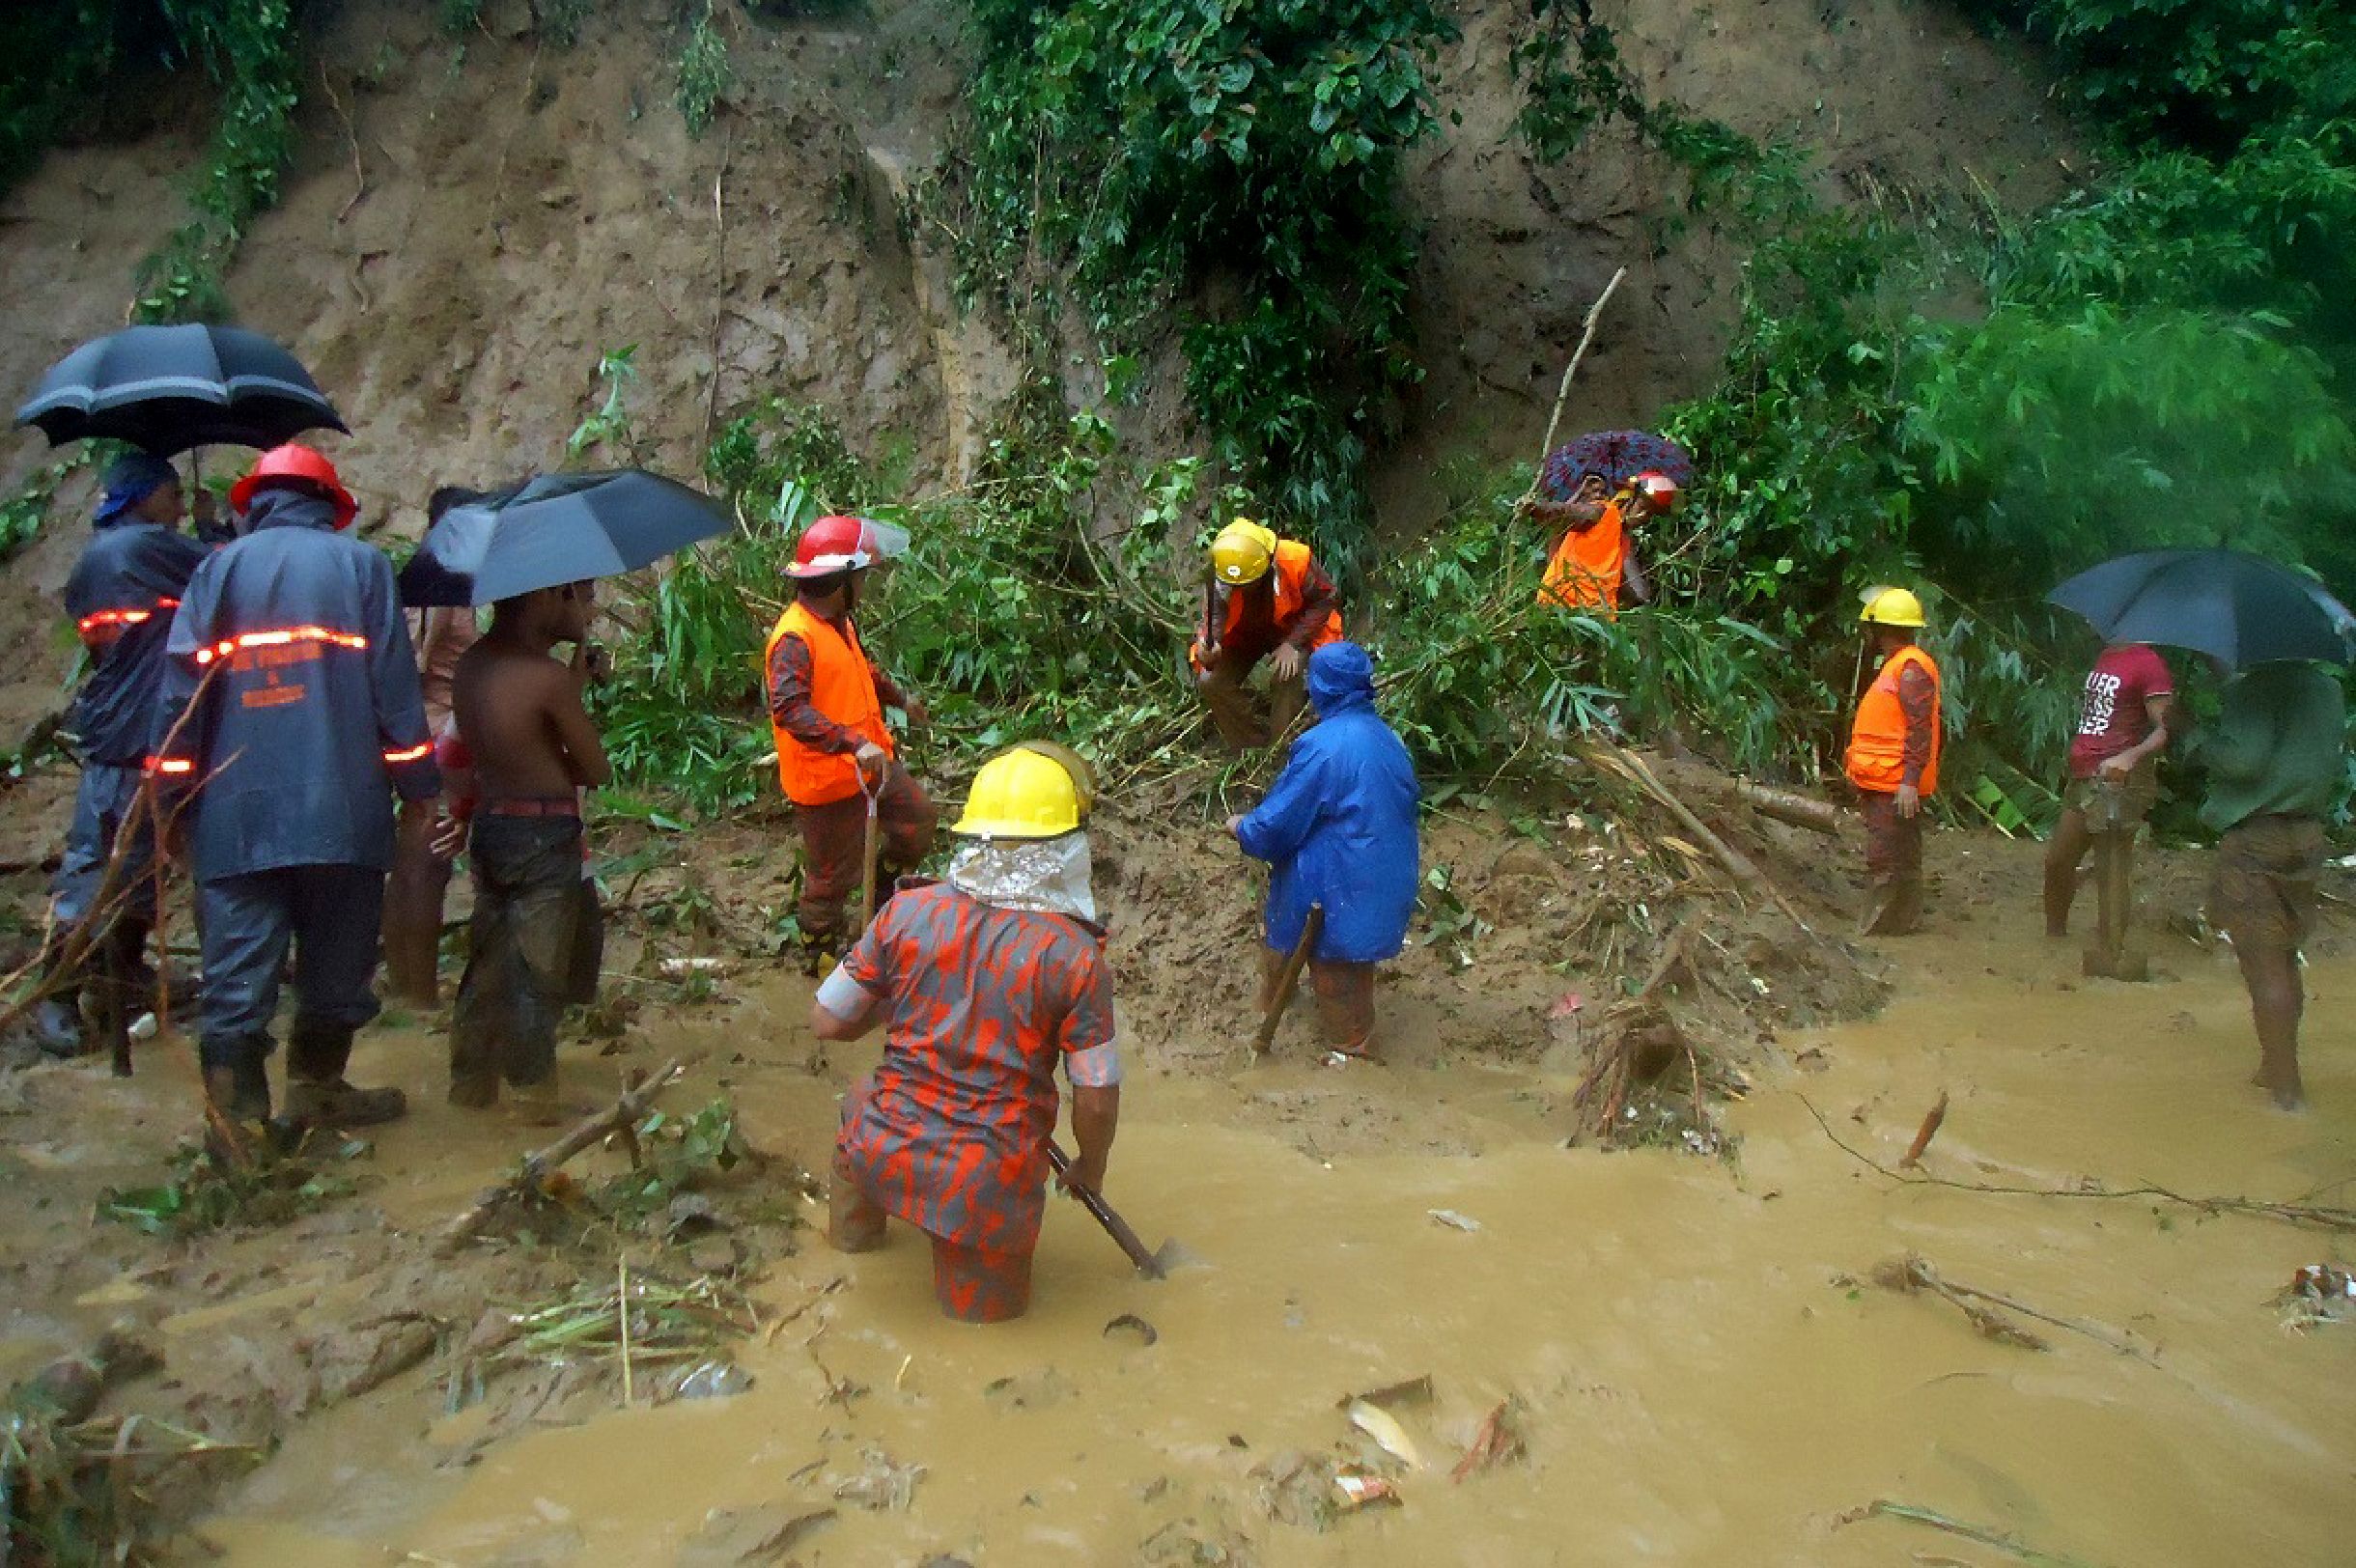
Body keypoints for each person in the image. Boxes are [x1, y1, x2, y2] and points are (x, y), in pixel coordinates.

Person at [151, 444, 439, 1135]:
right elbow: (395, 693)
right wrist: (419, 789)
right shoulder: (362, 567)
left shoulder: (213, 572)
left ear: (255, 502)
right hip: (343, 810)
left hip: (235, 814)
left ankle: (239, 1129)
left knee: (237, 976)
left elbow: (178, 705)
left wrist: (167, 808)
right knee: (337, 966)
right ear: (329, 506)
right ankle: (318, 1090)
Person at [812, 742, 1120, 1323]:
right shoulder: (1076, 958)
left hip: (880, 1142)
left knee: (857, 1113)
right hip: (980, 1180)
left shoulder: (907, 912)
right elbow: (1097, 1095)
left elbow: (827, 1020)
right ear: (1066, 848)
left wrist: (897, 1003)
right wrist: (1090, 1166)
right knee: (982, 1337)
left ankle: (853, 1245)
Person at [34, 453, 210, 1058]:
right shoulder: (144, 548)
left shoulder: (101, 553)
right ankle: (57, 992)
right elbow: (229, 572)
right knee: (103, 861)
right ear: (146, 496)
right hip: (135, 729)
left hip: (127, 723)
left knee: (136, 859)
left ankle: (123, 976)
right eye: (173, 492)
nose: (182, 501)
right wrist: (211, 535)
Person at [444, 578, 608, 1115]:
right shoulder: (546, 678)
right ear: (541, 598)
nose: (582, 610)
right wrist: (572, 692)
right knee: (538, 974)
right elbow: (597, 769)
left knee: (488, 964)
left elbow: (509, 747)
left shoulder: (471, 665)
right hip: (543, 835)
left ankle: (470, 1088)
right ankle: (533, 1101)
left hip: (492, 827)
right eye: (572, 597)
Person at [1227, 642, 1420, 1062]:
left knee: (1338, 980)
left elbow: (1277, 824)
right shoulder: (1388, 739)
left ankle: (1348, 1054)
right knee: (1345, 965)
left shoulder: (1322, 746)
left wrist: (1242, 827)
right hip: (1386, 880)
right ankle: (1301, 1015)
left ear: (1319, 688)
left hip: (1343, 889)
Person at [764, 513, 937, 969]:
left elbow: (863, 670)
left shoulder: (839, 623)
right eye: (860, 577)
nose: (865, 586)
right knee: (829, 879)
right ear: (840, 580)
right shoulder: (794, 638)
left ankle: (882, 902)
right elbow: (789, 709)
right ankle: (820, 962)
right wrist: (851, 742)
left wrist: (901, 700)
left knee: (917, 820)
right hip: (829, 780)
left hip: (871, 764)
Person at [2200, 660, 2344, 1112]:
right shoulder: (2327, 689)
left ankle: (2287, 1091)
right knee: (2284, 954)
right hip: (2307, 834)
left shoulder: (2256, 689)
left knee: (2262, 962)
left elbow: (2242, 761)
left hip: (2258, 835)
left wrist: (2193, 736)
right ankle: (2274, 1067)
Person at [381, 486, 490, 1006]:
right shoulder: (442, 584)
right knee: (427, 863)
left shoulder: (431, 579)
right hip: (437, 732)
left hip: (430, 731)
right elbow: (415, 665)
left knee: (413, 861)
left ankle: (406, 986)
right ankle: (418, 994)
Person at [2043, 641, 2174, 967]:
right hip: (2086, 775)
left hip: (2120, 780)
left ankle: (2111, 953)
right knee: (2058, 860)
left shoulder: (2149, 663)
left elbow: (2166, 729)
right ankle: (2054, 937)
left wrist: (2130, 756)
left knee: (2111, 866)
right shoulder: (2107, 655)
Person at [1189, 518, 1343, 750]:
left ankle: (1280, 748)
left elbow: (1326, 599)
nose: (1240, 590)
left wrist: (1293, 643)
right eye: (1235, 586)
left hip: (1293, 628)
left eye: (1247, 584)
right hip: (1245, 634)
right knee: (1211, 682)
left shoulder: (1295, 560)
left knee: (1286, 672)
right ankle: (1249, 746)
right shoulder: (1223, 572)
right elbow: (1215, 616)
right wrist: (1210, 646)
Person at [1843, 586, 1942, 936]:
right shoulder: (1899, 666)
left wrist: (1909, 783)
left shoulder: (1911, 669)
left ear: (1880, 629)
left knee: (1886, 857)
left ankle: (1879, 930)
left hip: (1895, 782)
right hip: (1885, 780)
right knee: (1899, 853)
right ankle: (1900, 923)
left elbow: (1919, 730)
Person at [1531, 469, 1673, 616]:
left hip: (1595, 619)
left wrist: (1640, 603)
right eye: (1643, 508)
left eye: (1650, 515)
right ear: (1629, 498)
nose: (1644, 517)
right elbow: (1564, 513)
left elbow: (1624, 585)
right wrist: (1535, 507)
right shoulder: (1600, 512)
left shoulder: (1622, 540)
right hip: (1561, 610)